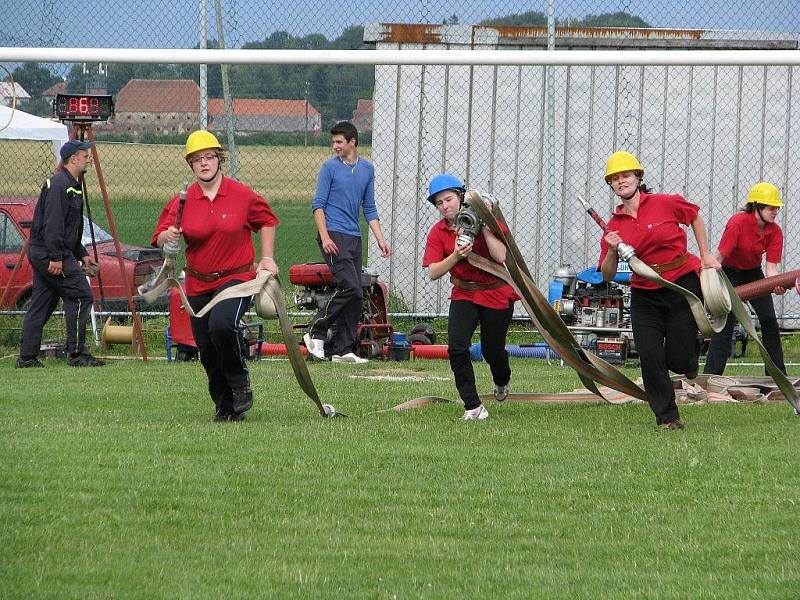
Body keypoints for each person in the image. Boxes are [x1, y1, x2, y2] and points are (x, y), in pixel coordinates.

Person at [151, 130, 279, 422]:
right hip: (197, 281)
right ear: (190, 165)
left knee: (222, 326)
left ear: (219, 159)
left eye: (209, 157)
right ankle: (225, 405)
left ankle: (239, 382)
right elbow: (159, 237)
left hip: (235, 279)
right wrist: (167, 237)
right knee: (206, 347)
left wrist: (267, 257)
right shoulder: (182, 201)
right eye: (197, 159)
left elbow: (268, 220)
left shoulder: (241, 194)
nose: (204, 163)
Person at [598, 151, 720, 430]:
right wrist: (613, 250)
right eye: (614, 179)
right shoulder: (614, 226)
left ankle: (689, 354)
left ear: (638, 177)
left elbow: (695, 216)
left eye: (626, 175)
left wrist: (705, 255)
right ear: (611, 186)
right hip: (644, 292)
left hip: (680, 285)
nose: (621, 181)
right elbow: (606, 273)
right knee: (649, 354)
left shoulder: (666, 202)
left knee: (678, 359)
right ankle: (668, 416)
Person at [422, 173, 519, 420]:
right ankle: (473, 407)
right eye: (439, 203)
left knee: (492, 349)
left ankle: (502, 379)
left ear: (460, 197)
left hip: (495, 292)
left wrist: (485, 229)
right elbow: (433, 272)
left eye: (449, 199)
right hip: (464, 292)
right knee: (456, 347)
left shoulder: (489, 218)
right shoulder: (438, 232)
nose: (445, 206)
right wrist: (455, 256)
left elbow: (501, 257)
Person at [303, 121, 390, 364]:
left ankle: (342, 349)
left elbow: (369, 208)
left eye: (339, 142)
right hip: (333, 234)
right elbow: (318, 206)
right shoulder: (329, 168)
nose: (335, 146)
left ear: (353, 142)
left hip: (354, 237)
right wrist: (326, 236)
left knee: (358, 294)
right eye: (333, 142)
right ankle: (316, 332)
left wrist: (381, 239)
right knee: (349, 287)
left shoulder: (367, 170)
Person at [17, 139, 105, 368]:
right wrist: (56, 257)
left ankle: (27, 358)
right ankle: (77, 354)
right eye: (85, 156)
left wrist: (82, 253)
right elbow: (53, 224)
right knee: (80, 295)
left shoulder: (71, 185)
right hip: (50, 253)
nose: (88, 160)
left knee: (42, 303)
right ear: (74, 158)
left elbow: (70, 228)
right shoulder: (58, 185)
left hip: (52, 251)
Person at [704, 182, 786, 375]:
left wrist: (777, 284)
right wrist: (710, 284)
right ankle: (711, 377)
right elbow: (718, 259)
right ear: (756, 206)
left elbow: (771, 269)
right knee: (724, 326)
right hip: (728, 273)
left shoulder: (775, 231)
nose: (775, 212)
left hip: (753, 273)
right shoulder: (738, 222)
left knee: (769, 321)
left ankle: (777, 377)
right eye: (770, 207)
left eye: (777, 208)